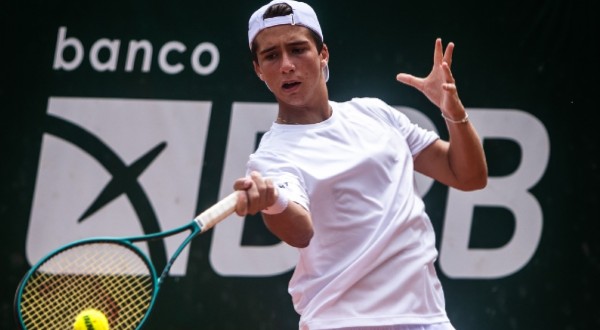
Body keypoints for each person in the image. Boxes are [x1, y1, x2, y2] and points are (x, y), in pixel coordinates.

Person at [232, 1, 488, 329]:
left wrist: (452, 110)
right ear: (258, 69)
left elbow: (468, 176)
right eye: (271, 56)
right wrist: (273, 201)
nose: (286, 65)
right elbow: (300, 230)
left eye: (298, 50)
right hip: (343, 323)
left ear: (323, 54)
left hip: (428, 318)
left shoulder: (376, 113)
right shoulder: (270, 158)